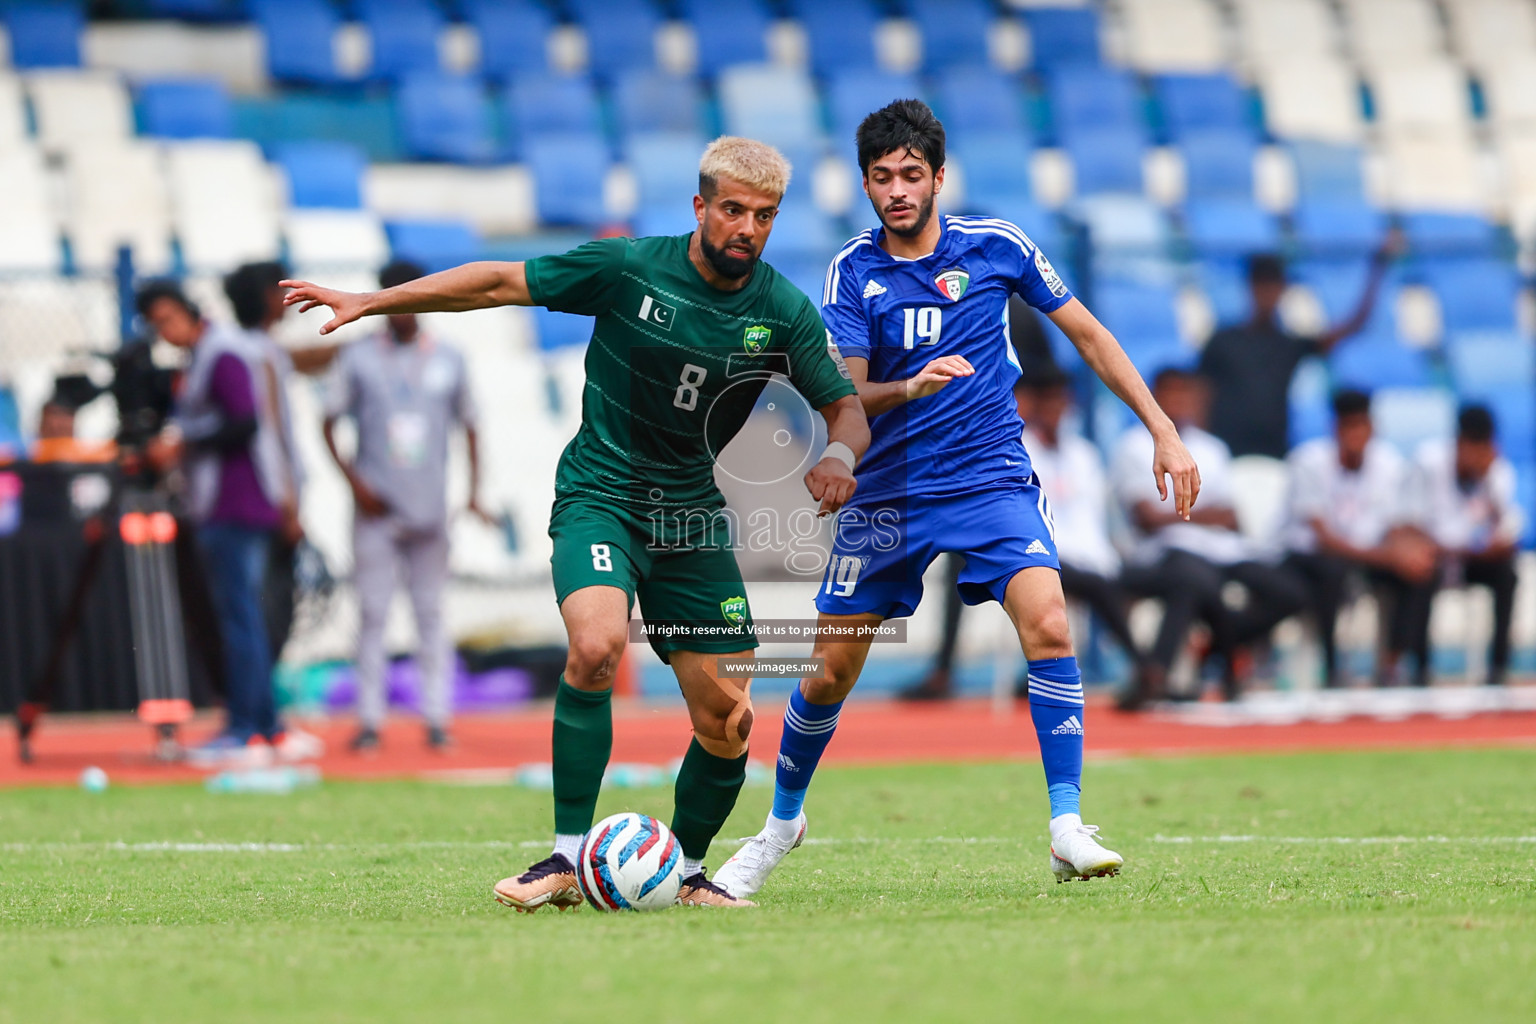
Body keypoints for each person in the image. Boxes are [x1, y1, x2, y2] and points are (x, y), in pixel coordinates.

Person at [282, 137, 868, 909]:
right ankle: (563, 858)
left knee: (728, 718)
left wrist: (840, 457)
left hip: (691, 520)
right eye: (733, 210)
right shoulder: (627, 268)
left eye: (764, 216)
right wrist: (371, 303)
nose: (747, 229)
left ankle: (686, 872)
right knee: (595, 646)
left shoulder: (781, 310)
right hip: (602, 494)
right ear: (700, 207)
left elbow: (846, 406)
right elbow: (496, 281)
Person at [714, 100, 1200, 902]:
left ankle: (1066, 826)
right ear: (866, 184)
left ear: (939, 177)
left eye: (912, 175)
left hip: (989, 477)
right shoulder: (854, 271)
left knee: (1047, 619)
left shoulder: (998, 247)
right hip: (890, 496)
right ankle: (781, 826)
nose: (898, 191)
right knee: (830, 672)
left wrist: (1162, 430)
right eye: (882, 178)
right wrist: (909, 385)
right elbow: (845, 399)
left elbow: (1089, 335)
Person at [138, 281, 319, 765]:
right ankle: (264, 725)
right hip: (234, 501)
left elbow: (244, 421)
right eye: (157, 325)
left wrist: (182, 442)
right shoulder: (209, 356)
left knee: (239, 620)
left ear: (190, 312)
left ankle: (247, 727)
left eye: (168, 320)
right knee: (246, 620)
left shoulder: (220, 354)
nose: (165, 331)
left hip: (233, 503)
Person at [321, 259, 486, 752]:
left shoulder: (450, 358)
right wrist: (355, 484)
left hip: (429, 508)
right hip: (377, 507)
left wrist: (474, 491)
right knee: (372, 613)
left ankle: (437, 718)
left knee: (431, 614)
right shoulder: (357, 358)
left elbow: (471, 425)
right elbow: (327, 421)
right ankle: (370, 720)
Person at [1111, 368, 1308, 702]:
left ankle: (1215, 650)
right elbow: (1147, 520)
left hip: (1220, 550)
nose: (1178, 401)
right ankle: (1179, 670)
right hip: (1163, 553)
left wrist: (1180, 514)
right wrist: (1202, 515)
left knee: (1290, 591)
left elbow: (1231, 516)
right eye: (1170, 393)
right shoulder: (1133, 446)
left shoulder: (1212, 447)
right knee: (1194, 580)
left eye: (1184, 393)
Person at [1281, 389, 1435, 687]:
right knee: (1332, 573)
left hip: (1365, 554)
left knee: (1421, 571)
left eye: (1362, 426)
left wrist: (1407, 553)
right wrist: (1390, 556)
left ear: (1373, 427)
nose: (1356, 435)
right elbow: (1324, 537)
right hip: (1307, 556)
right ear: (1335, 429)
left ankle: (1395, 661)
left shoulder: (1388, 463)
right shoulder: (1308, 461)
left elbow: (1395, 524)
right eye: (1349, 427)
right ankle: (1332, 667)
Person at [1199, 241, 1399, 459]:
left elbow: (1353, 326)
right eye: (1261, 284)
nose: (1267, 293)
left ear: (1283, 289)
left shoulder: (1289, 344)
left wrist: (1378, 268)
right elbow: (1200, 396)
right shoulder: (1222, 341)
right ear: (1250, 287)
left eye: (1273, 285)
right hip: (1228, 454)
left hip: (1275, 455)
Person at [1408, 405, 1526, 686]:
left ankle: (1498, 667)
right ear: (1459, 442)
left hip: (1470, 557)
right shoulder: (1428, 462)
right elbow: (1411, 525)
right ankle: (1419, 668)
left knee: (1507, 575)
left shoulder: (1496, 470)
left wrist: (1487, 484)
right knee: (1420, 568)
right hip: (1434, 554)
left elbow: (1507, 533)